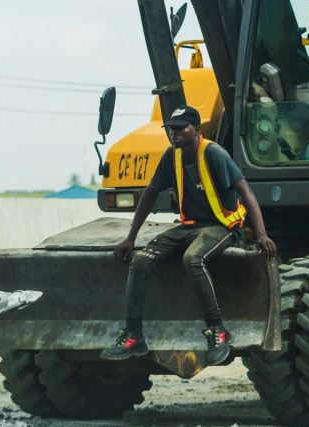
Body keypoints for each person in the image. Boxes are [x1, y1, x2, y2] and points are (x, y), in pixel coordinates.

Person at [100, 105, 277, 366]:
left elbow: (246, 192)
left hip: (222, 227)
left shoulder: (214, 153)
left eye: (181, 127)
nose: (175, 133)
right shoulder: (171, 156)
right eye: (171, 128)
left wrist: (260, 234)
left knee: (193, 259)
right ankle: (134, 336)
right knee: (141, 260)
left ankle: (218, 332)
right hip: (189, 226)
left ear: (197, 130)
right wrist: (131, 238)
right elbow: (149, 193)